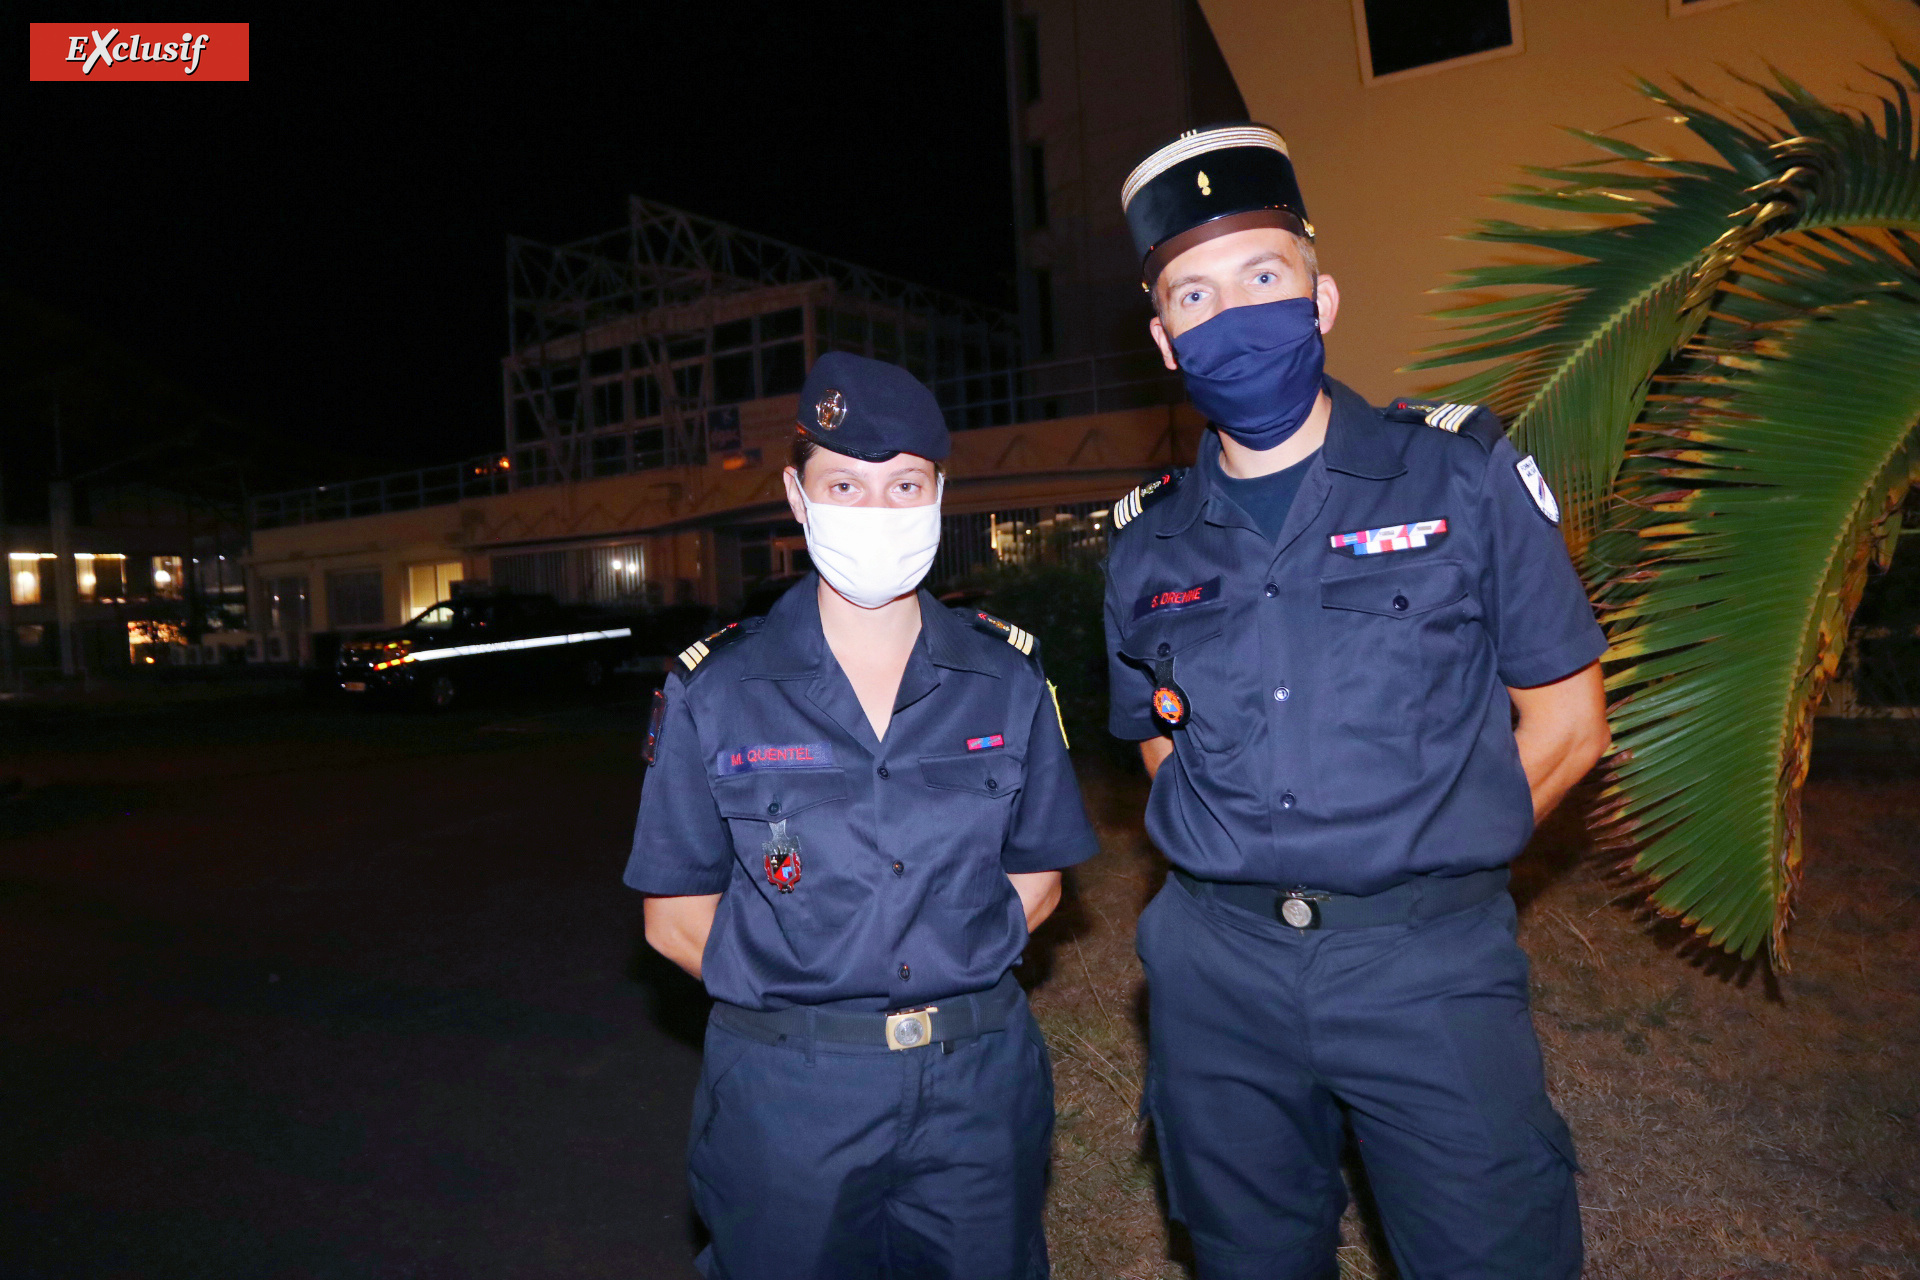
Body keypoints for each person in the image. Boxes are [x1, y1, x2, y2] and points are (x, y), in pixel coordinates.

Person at [1102, 123, 1611, 1279]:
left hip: (1424, 965)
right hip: (1215, 974)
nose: (1231, 313)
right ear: (1164, 341)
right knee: (1246, 1256)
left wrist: (1418, 856)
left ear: (1323, 297)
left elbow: (1571, 722)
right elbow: (1158, 743)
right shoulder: (1142, 545)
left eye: (1262, 275)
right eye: (1194, 293)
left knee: (1492, 1250)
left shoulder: (1462, 471)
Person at [626, 351, 1100, 1280]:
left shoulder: (1005, 675)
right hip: (789, 1094)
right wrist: (827, 994)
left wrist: (943, 969)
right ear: (798, 500)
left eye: (903, 485)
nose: (875, 511)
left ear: (938, 496)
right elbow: (675, 918)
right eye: (844, 483)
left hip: (975, 1080)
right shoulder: (714, 689)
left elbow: (1039, 877)